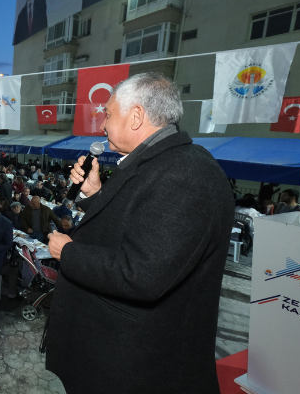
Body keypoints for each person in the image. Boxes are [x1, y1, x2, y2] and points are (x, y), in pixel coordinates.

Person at [44, 72, 235, 393]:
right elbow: (135, 226)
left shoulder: (183, 175)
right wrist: (94, 194)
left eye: (107, 113)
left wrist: (68, 252)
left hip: (135, 369)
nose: (101, 123)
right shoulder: (160, 164)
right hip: (116, 358)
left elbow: (142, 275)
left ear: (136, 116)